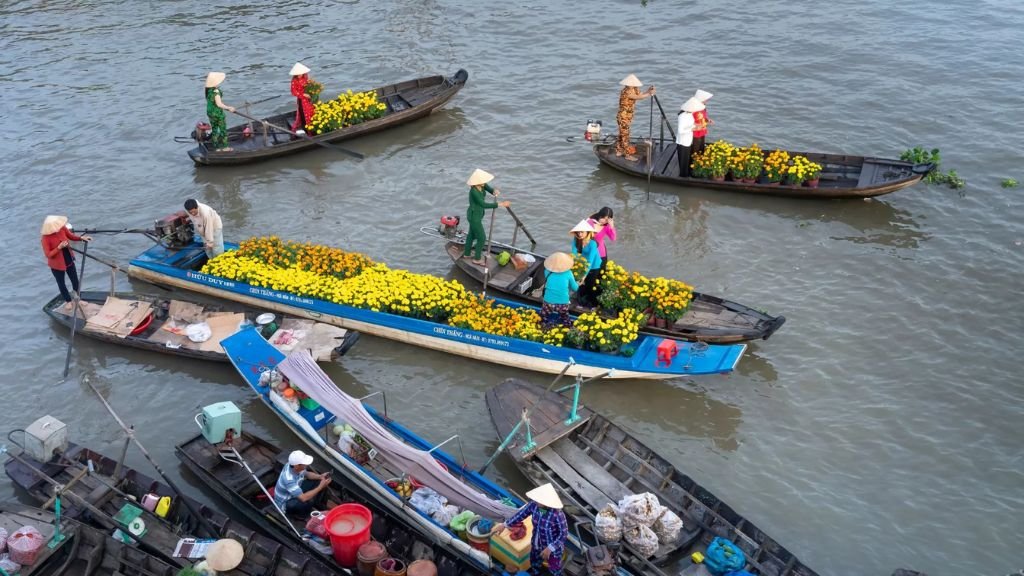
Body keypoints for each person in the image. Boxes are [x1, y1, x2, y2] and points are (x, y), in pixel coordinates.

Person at [490, 484, 568, 576]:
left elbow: (563, 534)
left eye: (539, 500)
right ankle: (536, 573)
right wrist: (504, 525)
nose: (536, 501)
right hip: (536, 543)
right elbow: (520, 515)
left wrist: (550, 548)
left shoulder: (558, 515)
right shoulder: (534, 505)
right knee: (534, 562)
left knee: (554, 569)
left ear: (547, 503)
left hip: (552, 549)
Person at [41, 215, 93, 312]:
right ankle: (68, 301)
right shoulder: (45, 238)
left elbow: (71, 236)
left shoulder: (62, 229)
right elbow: (48, 254)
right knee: (61, 283)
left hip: (68, 258)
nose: (58, 226)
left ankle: (78, 298)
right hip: (57, 264)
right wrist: (59, 248)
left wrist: (82, 238)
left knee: (75, 280)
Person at [462, 169, 510, 266]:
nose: (484, 183)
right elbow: (483, 204)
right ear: (476, 183)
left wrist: (493, 191)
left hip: (477, 215)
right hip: (474, 216)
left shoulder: (482, 186)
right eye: (482, 181)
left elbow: (488, 188)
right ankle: (477, 259)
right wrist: (500, 204)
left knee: (471, 235)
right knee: (482, 238)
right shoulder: (474, 192)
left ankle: (467, 254)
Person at [273, 450, 334, 517]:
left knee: (317, 482)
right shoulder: (288, 479)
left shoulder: (295, 466)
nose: (307, 465)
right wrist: (320, 487)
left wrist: (320, 476)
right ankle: (302, 516)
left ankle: (315, 502)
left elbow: (307, 474)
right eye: (304, 464)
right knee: (305, 502)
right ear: (297, 466)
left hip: (295, 490)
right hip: (286, 502)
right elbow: (303, 498)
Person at [614, 74, 655, 161]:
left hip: (629, 116)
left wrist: (648, 91)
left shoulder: (634, 89)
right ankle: (627, 155)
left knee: (622, 133)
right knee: (625, 134)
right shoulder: (625, 92)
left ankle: (619, 150)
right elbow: (638, 97)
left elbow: (641, 94)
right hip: (623, 116)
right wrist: (648, 94)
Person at [540, 252, 578, 329]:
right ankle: (567, 325)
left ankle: (543, 324)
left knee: (543, 316)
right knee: (565, 317)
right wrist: (578, 283)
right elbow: (575, 288)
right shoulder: (568, 273)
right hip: (563, 302)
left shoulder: (547, 271)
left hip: (548, 301)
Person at [570, 219, 602, 308]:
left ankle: (593, 305)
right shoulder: (576, 240)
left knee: (590, 285)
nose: (580, 234)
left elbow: (590, 261)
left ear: (587, 232)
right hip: (582, 263)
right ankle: (581, 303)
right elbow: (574, 255)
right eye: (578, 232)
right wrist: (574, 267)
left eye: (582, 232)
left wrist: (584, 275)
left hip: (594, 265)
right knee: (579, 283)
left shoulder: (593, 243)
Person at [204, 72, 236, 151]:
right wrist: (229, 108)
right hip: (217, 113)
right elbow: (219, 104)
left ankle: (216, 147)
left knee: (214, 129)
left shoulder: (208, 90)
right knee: (223, 129)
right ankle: (225, 147)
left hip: (210, 112)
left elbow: (212, 103)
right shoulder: (216, 91)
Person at [677, 97, 701, 177]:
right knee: (683, 161)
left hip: (688, 140)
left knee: (687, 159)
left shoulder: (690, 114)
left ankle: (687, 174)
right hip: (683, 141)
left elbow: (690, 125)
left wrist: (696, 125)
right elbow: (681, 131)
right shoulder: (682, 116)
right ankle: (683, 176)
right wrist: (693, 129)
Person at [290, 62, 316, 132]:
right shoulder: (294, 81)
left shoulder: (305, 76)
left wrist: (312, 90)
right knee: (304, 113)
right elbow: (293, 92)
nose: (299, 75)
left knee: (311, 111)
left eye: (301, 73)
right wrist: (303, 94)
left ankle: (312, 126)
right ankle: (307, 128)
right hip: (301, 99)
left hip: (308, 98)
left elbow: (309, 85)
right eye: (298, 73)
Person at [691, 89, 713, 156]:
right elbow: (690, 120)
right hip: (696, 130)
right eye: (705, 99)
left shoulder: (703, 107)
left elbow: (703, 116)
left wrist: (707, 120)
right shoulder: (693, 108)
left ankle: (700, 158)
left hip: (702, 129)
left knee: (701, 145)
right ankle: (695, 160)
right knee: (696, 146)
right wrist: (696, 125)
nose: (706, 101)